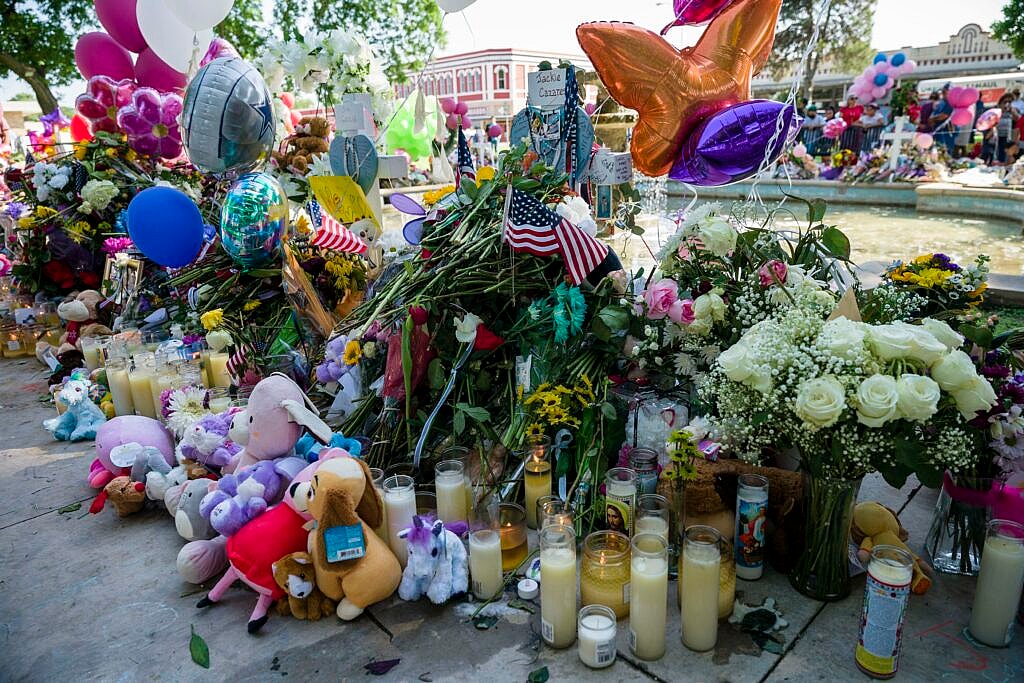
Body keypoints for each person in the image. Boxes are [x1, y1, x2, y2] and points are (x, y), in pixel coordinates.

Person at [930, 88, 954, 152]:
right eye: (943, 93)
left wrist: (932, 119)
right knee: (937, 148)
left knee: (945, 149)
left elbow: (944, 116)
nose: (943, 95)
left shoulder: (950, 103)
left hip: (945, 131)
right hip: (937, 130)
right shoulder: (941, 103)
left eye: (945, 93)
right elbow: (935, 113)